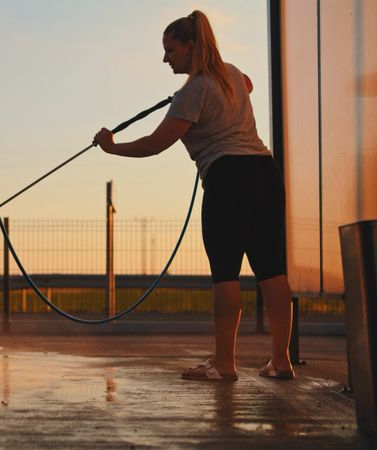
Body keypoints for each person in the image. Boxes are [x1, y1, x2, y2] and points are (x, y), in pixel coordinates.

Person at [94, 10, 295, 381]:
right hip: (265, 173)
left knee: (225, 275)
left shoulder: (192, 91)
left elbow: (155, 144)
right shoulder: (231, 73)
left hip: (229, 178)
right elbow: (248, 84)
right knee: (272, 271)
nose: (165, 57)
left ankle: (224, 365)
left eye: (170, 50)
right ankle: (281, 361)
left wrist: (111, 146)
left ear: (190, 47)